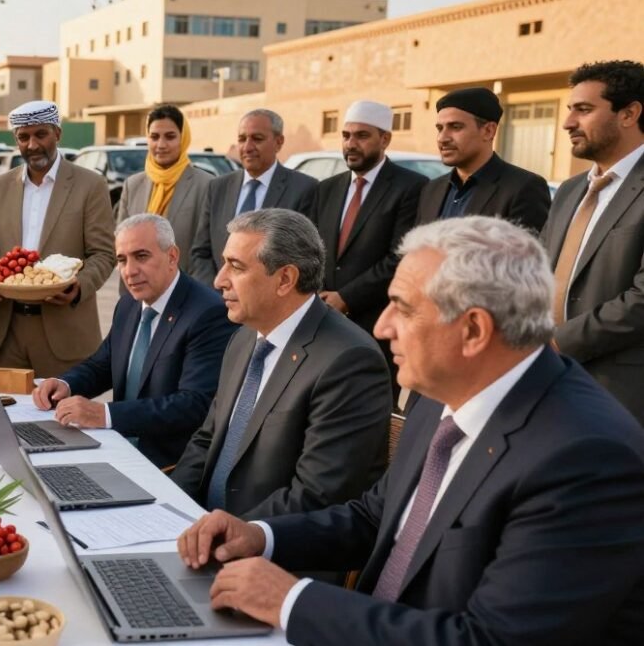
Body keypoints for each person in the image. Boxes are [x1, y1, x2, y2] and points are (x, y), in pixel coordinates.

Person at [181, 217, 644, 645]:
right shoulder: (437, 393)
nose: (381, 328)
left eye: (402, 308)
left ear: (473, 331)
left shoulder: (586, 458)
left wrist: (292, 600)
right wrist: (261, 535)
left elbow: (491, 640)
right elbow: (375, 516)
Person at [170, 209, 391, 520]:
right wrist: (168, 510)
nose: (219, 280)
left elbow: (317, 496)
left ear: (285, 279)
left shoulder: (349, 362)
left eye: (236, 267)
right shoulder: (243, 339)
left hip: (270, 551)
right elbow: (207, 440)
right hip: (201, 529)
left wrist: (229, 535)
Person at [30, 214, 235, 468]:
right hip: (114, 446)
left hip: (167, 465)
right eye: (121, 260)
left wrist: (104, 414)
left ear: (172, 256)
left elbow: (194, 404)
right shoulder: (128, 303)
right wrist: (65, 384)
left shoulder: (207, 313)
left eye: (141, 256)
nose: (129, 271)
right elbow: (102, 365)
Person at [0, 100, 117, 378]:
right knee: (6, 418)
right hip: (9, 332)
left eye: (41, 134)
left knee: (60, 419)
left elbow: (104, 254)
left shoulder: (90, 185)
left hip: (65, 330)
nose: (32, 145)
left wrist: (78, 287)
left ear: (57, 134)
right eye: (24, 137)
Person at [541, 60, 644, 423]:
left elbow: (641, 300)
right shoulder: (570, 191)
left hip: (620, 391)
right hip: (547, 380)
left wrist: (558, 343)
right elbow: (538, 270)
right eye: (570, 110)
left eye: (583, 110)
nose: (568, 122)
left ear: (629, 113)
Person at [314, 101, 427, 394]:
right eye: (346, 135)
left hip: (376, 326)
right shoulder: (327, 189)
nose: (351, 144)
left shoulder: (411, 187)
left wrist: (346, 297)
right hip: (323, 322)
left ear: (385, 139)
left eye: (362, 136)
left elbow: (400, 258)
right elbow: (313, 250)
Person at [189, 109, 317, 287]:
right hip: (219, 301)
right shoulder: (218, 187)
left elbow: (302, 258)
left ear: (279, 142)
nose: (247, 147)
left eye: (257, 139)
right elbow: (201, 252)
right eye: (242, 139)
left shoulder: (304, 189)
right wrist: (215, 293)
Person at [416, 87, 550, 232]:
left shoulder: (523, 188)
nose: (442, 138)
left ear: (488, 131)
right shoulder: (431, 189)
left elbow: (527, 253)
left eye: (455, 127)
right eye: (440, 128)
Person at [116, 104, 213, 273]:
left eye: (170, 137)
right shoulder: (133, 185)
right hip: (138, 288)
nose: (161, 144)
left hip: (186, 289)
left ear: (183, 139)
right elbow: (121, 244)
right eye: (154, 137)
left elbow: (207, 251)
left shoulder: (206, 185)